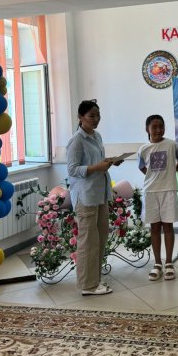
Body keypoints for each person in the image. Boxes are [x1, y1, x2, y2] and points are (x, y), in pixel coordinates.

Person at [67, 99, 123, 296]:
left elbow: (95, 163)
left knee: (99, 238)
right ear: (81, 117)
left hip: (100, 193)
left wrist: (109, 162)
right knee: (87, 242)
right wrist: (97, 167)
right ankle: (87, 286)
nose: (96, 119)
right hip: (86, 196)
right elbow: (72, 170)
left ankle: (95, 279)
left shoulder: (96, 136)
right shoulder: (76, 140)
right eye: (91, 116)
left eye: (98, 115)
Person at [138, 115, 178, 281]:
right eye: (154, 127)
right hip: (151, 192)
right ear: (147, 129)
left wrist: (171, 172)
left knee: (168, 226)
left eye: (161, 126)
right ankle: (157, 264)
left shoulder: (172, 145)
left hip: (168, 190)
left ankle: (169, 263)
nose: (158, 130)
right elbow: (142, 167)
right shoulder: (143, 149)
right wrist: (152, 177)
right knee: (155, 228)